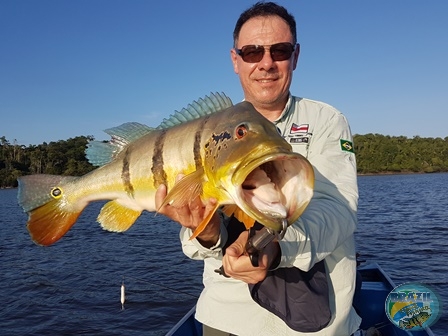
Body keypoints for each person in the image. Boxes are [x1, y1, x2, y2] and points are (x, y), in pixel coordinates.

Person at [156, 2, 361, 335]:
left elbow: (338, 211)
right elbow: (199, 238)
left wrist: (277, 248)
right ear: (235, 60)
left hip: (318, 326)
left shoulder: (326, 121)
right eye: (252, 52)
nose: (266, 63)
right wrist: (206, 234)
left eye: (279, 50)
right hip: (228, 318)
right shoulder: (206, 131)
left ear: (295, 56)